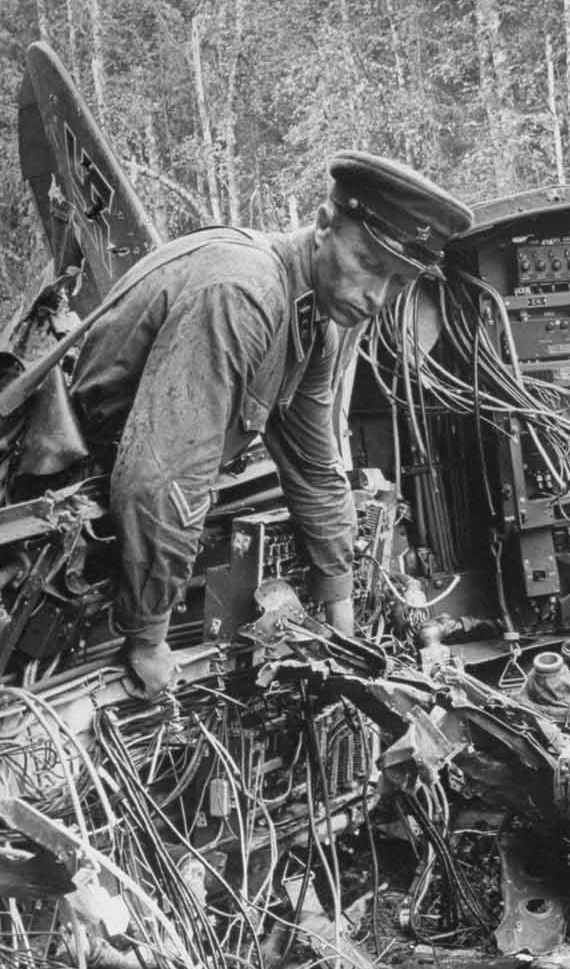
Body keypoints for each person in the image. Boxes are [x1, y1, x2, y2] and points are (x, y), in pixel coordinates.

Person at [69, 152, 473, 697]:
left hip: (126, 494)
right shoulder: (245, 294)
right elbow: (163, 481)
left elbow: (314, 466)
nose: (379, 298)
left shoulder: (313, 321)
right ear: (324, 226)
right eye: (371, 265)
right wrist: (148, 639)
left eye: (400, 281)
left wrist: (341, 614)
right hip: (63, 495)